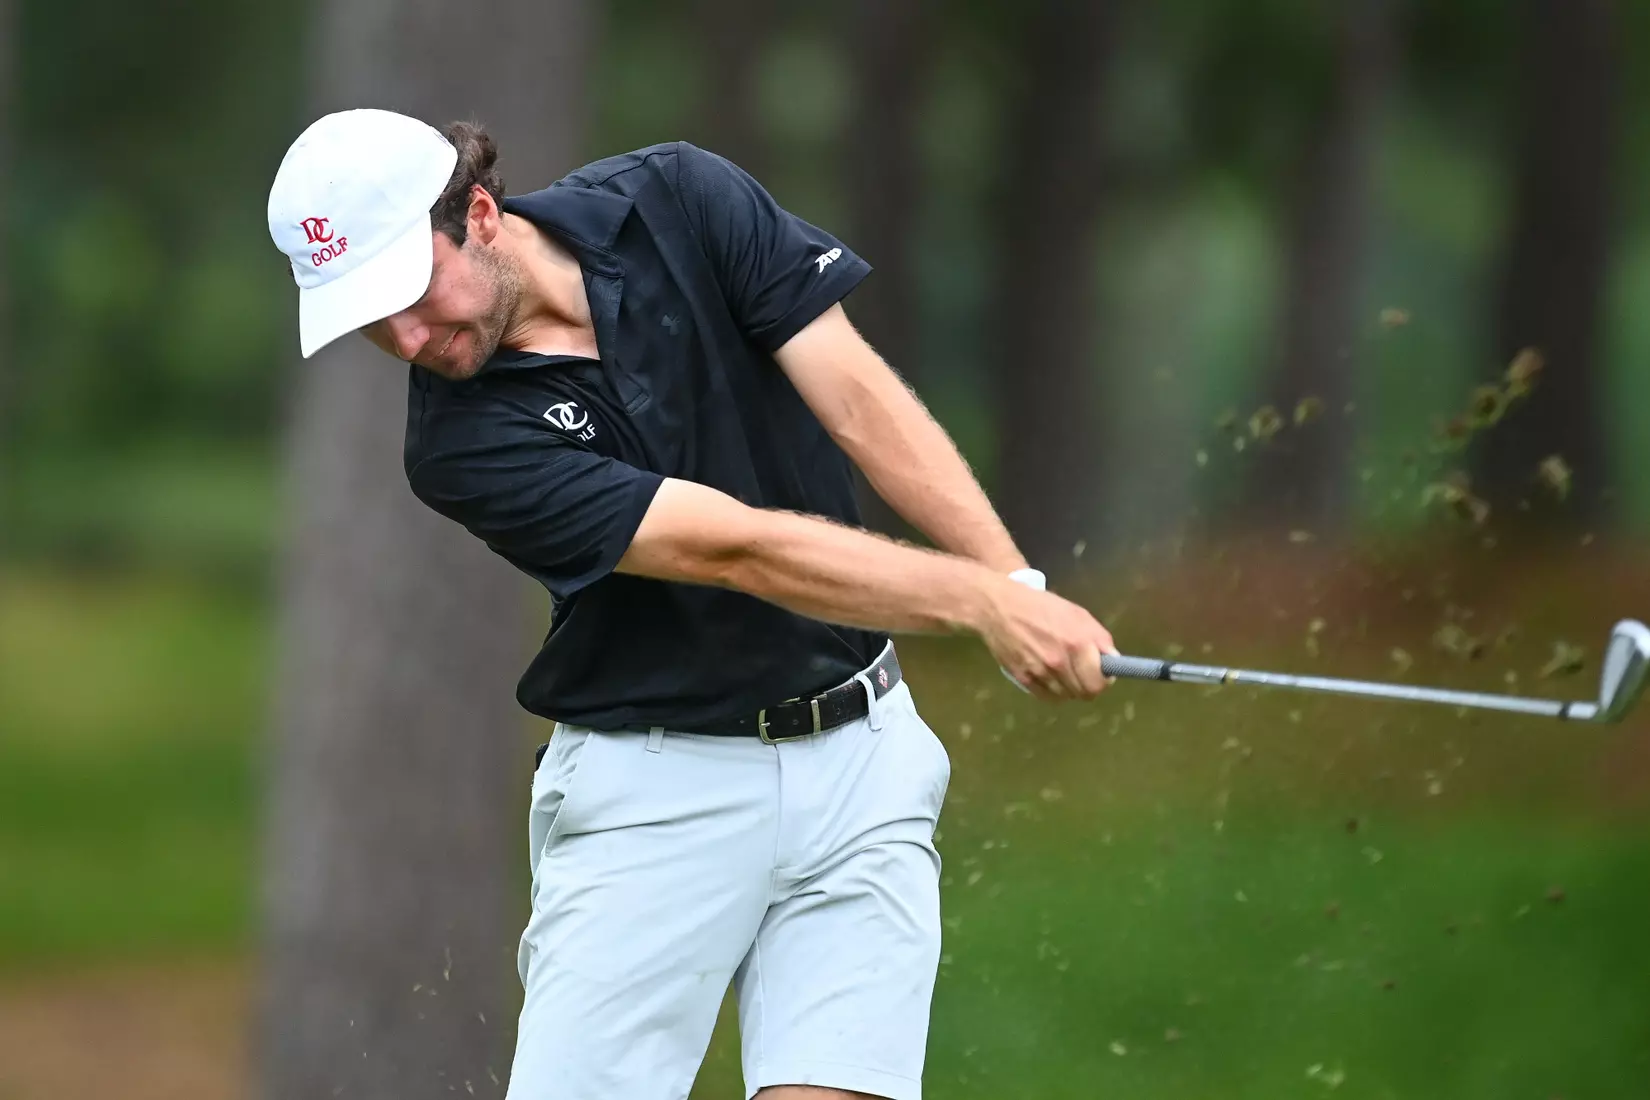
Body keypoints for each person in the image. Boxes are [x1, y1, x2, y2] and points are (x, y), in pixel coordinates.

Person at [267, 108, 1119, 1100]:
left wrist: (1014, 586)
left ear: (482, 214)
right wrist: (973, 601)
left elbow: (855, 400)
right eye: (370, 322)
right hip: (655, 795)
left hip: (860, 760)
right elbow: (733, 547)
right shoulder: (458, 447)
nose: (407, 337)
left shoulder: (677, 198)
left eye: (410, 291)